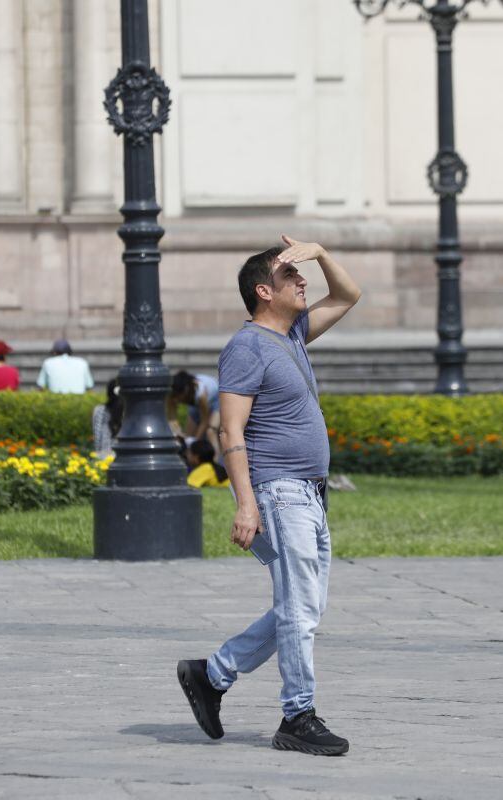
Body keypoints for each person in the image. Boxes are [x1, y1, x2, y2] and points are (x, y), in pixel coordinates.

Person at [177, 234, 361, 757]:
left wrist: (319, 253)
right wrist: (246, 503)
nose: (303, 281)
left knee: (304, 606)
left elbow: (348, 295)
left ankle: (213, 674)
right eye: (291, 276)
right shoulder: (246, 347)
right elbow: (230, 431)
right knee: (299, 608)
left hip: (310, 494)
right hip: (280, 493)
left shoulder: (293, 335)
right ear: (264, 291)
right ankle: (298, 715)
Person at [168, 371, 221, 456]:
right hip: (195, 404)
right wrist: (178, 433)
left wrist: (194, 442)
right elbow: (172, 418)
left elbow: (204, 421)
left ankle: (214, 460)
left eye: (177, 396)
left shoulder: (200, 394)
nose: (176, 400)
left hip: (217, 399)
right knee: (188, 436)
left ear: (185, 390)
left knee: (211, 431)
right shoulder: (173, 395)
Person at [91, 378, 122, 457]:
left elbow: (97, 436)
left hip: (104, 456)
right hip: (124, 456)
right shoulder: (129, 411)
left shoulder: (100, 410)